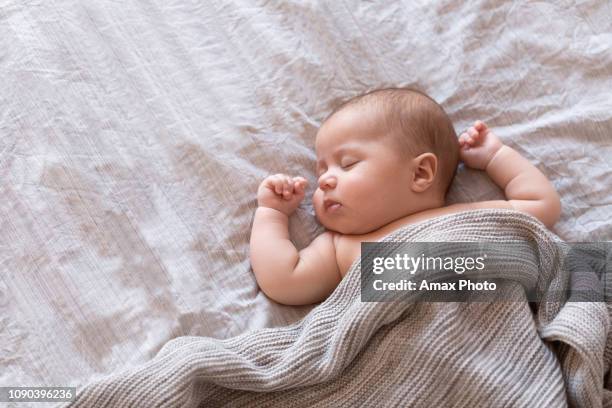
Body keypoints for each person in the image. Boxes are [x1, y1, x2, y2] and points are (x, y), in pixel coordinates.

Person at [249, 88, 561, 305]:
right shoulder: (338, 249)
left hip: (495, 333)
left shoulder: (468, 217)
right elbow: (283, 281)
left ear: (420, 173)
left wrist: (495, 157)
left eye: (348, 164)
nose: (326, 180)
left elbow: (541, 205)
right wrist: (271, 214)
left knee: (592, 273)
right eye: (320, 176)